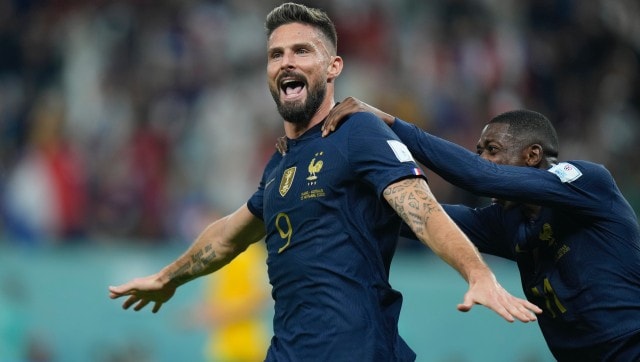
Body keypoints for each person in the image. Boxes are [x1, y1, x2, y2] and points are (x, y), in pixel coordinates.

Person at [108, 3, 540, 361]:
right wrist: (169, 278)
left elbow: (420, 206)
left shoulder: (358, 133)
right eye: (276, 54)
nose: (286, 62)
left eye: (301, 51)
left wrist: (476, 272)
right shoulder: (279, 167)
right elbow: (227, 236)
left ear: (333, 67)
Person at [322, 97, 640, 362]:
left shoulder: (587, 184)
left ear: (532, 156)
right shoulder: (507, 222)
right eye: (479, 152)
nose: (482, 158)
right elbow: (416, 215)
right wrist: (333, 187)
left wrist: (392, 126)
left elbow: (480, 176)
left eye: (492, 149)